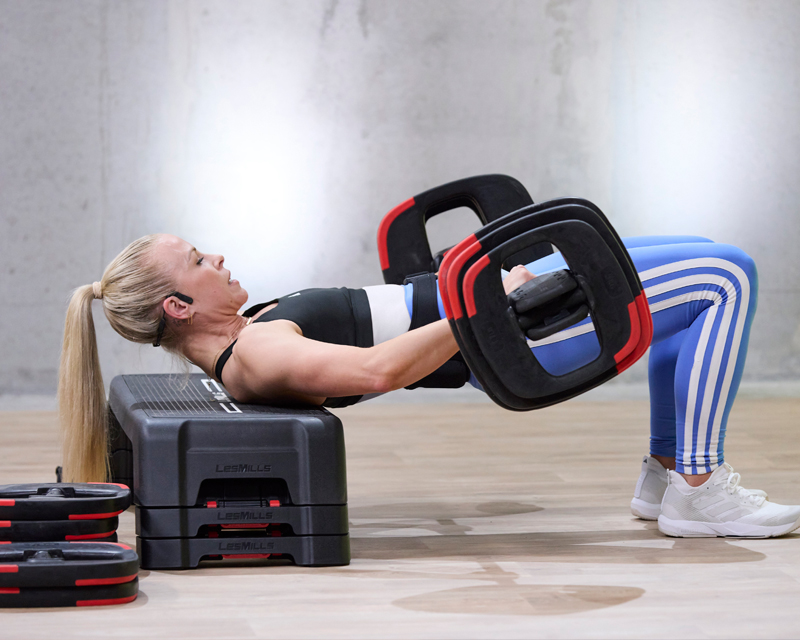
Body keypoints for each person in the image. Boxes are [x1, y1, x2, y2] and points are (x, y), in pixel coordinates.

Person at [59, 233, 800, 538]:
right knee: (724, 277)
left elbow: (381, 324)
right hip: (509, 331)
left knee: (705, 259)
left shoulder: (249, 329)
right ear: (178, 307)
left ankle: (665, 475)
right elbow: (378, 371)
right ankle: (697, 490)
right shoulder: (257, 356)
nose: (216, 256)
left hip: (494, 304)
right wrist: (492, 305)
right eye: (197, 261)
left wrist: (478, 286)